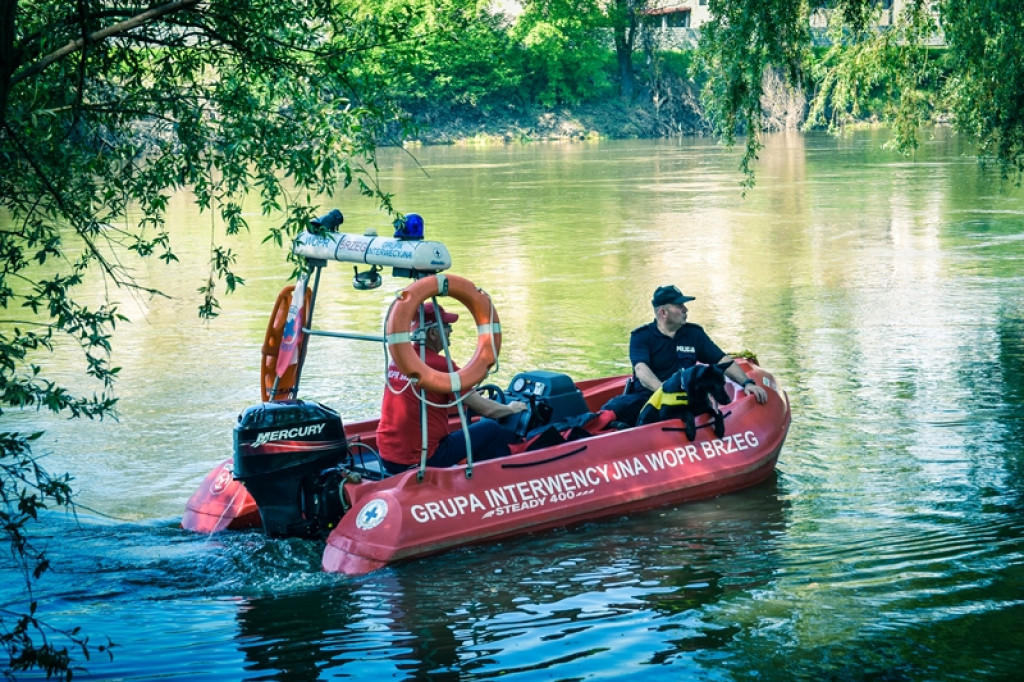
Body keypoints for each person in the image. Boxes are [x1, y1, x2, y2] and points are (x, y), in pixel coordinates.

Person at [376, 302, 528, 475]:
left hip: (387, 457)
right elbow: (487, 410)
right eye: (447, 326)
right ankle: (504, 478)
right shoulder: (441, 365)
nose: (451, 331)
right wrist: (511, 408)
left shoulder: (401, 360)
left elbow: (427, 398)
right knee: (490, 427)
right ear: (433, 333)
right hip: (423, 459)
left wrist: (470, 395)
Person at [602, 285, 769, 425]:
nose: (685, 309)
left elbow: (721, 359)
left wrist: (747, 383)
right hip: (649, 397)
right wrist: (665, 392)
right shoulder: (641, 337)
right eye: (679, 306)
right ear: (663, 312)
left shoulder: (694, 334)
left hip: (686, 400)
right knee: (616, 407)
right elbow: (641, 370)